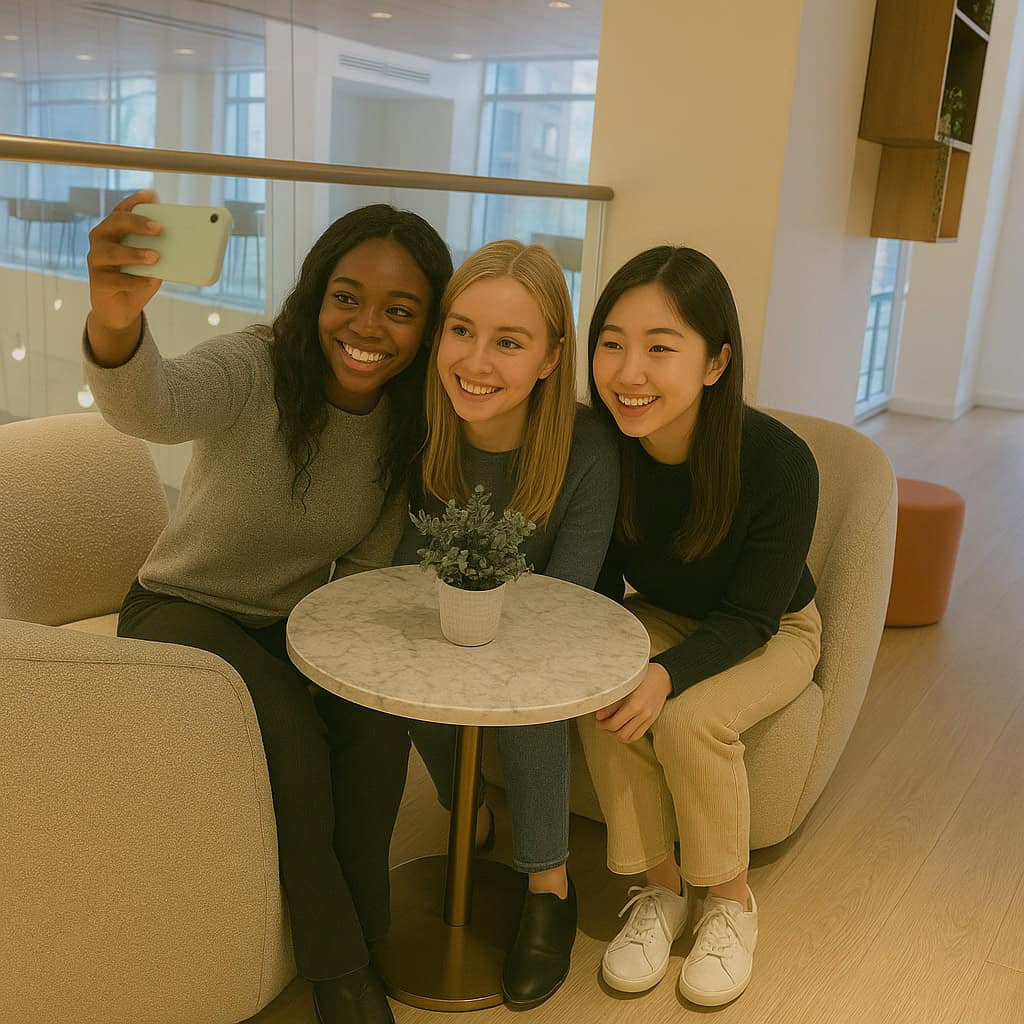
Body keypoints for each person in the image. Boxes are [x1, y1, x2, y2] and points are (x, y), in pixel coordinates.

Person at [83, 192, 453, 1024]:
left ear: (427, 328)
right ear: (316, 294)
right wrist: (115, 322)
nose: (366, 326)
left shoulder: (406, 425)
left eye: (400, 310)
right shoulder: (254, 367)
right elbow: (151, 405)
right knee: (288, 724)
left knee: (371, 723)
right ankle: (338, 971)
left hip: (289, 626)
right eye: (347, 297)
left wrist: (346, 667)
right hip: (179, 604)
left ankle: (365, 925)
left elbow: (360, 569)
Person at [577, 246, 821, 1007]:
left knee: (688, 721)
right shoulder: (605, 446)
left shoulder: (780, 463)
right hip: (663, 616)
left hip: (775, 627)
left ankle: (729, 904)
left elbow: (750, 616)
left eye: (659, 347)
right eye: (612, 343)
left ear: (715, 363)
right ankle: (660, 891)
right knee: (601, 688)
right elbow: (596, 580)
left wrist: (666, 676)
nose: (627, 371)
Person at [390, 239, 619, 1008]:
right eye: (461, 330)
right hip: (448, 620)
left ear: (553, 357)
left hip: (555, 634)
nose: (475, 360)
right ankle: (470, 812)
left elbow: (565, 604)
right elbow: (406, 575)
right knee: (395, 672)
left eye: (509, 342)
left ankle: (550, 887)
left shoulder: (587, 449)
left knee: (529, 700)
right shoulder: (426, 430)